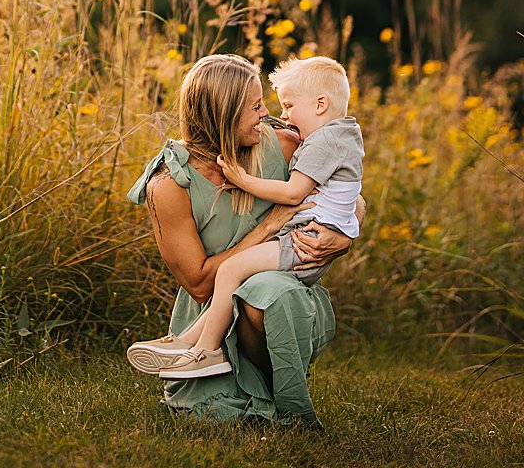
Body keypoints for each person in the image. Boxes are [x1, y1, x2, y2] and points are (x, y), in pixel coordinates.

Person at [122, 53, 363, 426]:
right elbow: (201, 284)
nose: (269, 113)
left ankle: (289, 403)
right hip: (212, 307)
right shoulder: (169, 186)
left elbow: (347, 193)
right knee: (254, 286)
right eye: (255, 106)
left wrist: (342, 238)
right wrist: (266, 229)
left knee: (270, 290)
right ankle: (197, 348)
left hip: (281, 299)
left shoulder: (282, 144)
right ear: (224, 114)